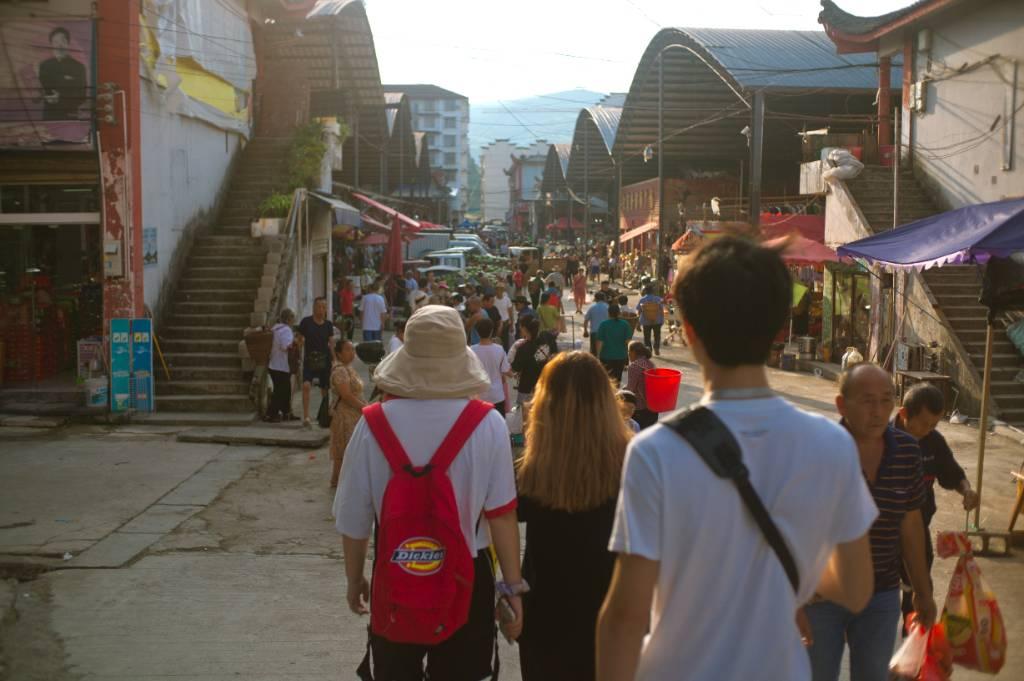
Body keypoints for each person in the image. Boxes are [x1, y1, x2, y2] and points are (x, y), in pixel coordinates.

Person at [597, 236, 876, 681]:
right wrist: (792, 571)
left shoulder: (655, 452)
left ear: (689, 332)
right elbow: (858, 589)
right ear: (775, 328)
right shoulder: (832, 444)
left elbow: (625, 616)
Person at [334, 305, 524, 680]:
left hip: (397, 574)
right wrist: (512, 589)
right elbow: (501, 515)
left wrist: (355, 579)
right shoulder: (488, 424)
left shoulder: (372, 424)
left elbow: (354, 521)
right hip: (468, 578)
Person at [804, 362, 935, 681]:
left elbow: (911, 525)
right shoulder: (820, 450)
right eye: (867, 401)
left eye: (886, 399)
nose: (878, 411)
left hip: (882, 593)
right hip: (822, 596)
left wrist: (922, 590)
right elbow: (799, 524)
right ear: (841, 404)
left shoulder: (906, 450)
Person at [516, 351, 631, 681]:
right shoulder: (634, 460)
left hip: (545, 614)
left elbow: (504, 521)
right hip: (613, 611)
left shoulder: (532, 470)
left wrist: (509, 588)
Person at [894, 382, 979, 627]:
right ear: (903, 414)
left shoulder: (933, 441)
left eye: (934, 424)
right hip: (884, 535)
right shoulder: (883, 441)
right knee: (881, 598)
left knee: (920, 595)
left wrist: (966, 489)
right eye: (923, 424)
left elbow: (951, 472)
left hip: (917, 530)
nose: (928, 430)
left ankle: (913, 653)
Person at [329, 339, 365, 488]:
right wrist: (365, 408)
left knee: (350, 450)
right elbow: (346, 396)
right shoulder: (340, 371)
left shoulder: (348, 368)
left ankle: (342, 483)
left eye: (353, 350)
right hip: (344, 416)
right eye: (348, 350)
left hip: (354, 415)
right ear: (339, 353)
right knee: (343, 452)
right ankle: (338, 483)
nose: (352, 353)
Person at [297, 297, 335, 427]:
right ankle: (306, 416)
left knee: (325, 389)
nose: (321, 309)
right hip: (310, 360)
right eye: (319, 306)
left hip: (325, 360)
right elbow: (300, 340)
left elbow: (331, 343)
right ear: (313, 307)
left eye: (324, 307)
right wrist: (298, 349)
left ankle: (324, 415)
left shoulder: (328, 325)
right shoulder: (306, 322)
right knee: (306, 386)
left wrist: (335, 360)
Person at [39, 27, 87, 121]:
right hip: (49, 116)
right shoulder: (44, 65)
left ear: (68, 44)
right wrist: (43, 96)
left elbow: (82, 96)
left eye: (63, 41)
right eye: (55, 42)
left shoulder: (79, 67)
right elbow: (41, 90)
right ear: (51, 45)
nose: (59, 45)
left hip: (70, 116)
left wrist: (61, 98)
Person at [510, 317, 555, 407]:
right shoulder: (546, 342)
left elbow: (516, 368)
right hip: (544, 384)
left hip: (527, 387)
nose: (519, 329)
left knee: (527, 416)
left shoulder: (523, 348)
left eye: (520, 326)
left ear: (525, 329)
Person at [471, 318, 512, 415]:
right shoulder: (499, 349)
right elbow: (506, 370)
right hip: (497, 395)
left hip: (479, 396)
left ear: (477, 332)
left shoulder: (472, 350)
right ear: (491, 331)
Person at [266, 308, 297, 423]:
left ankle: (286, 412)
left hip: (273, 364)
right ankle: (271, 414)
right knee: (280, 391)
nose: (293, 321)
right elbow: (286, 346)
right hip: (281, 365)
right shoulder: (286, 330)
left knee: (285, 390)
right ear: (289, 319)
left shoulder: (275, 328)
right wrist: (295, 343)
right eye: (292, 319)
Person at [595, 303, 632, 384]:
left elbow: (599, 342)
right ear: (619, 313)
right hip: (621, 356)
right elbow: (628, 342)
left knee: (606, 379)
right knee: (617, 379)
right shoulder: (625, 324)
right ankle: (616, 395)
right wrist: (628, 357)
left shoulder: (603, 324)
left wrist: (597, 356)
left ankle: (608, 394)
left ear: (608, 313)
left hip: (606, 356)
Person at [624, 340, 658, 429]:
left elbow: (630, 389)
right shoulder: (651, 364)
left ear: (633, 352)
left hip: (640, 408)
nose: (628, 354)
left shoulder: (634, 366)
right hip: (653, 406)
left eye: (628, 351)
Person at [637, 285, 666, 357]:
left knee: (647, 337)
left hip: (646, 321)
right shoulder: (658, 299)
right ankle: (656, 347)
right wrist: (662, 319)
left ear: (645, 291)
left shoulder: (642, 300)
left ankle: (648, 349)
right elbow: (662, 310)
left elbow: (639, 311)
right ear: (653, 291)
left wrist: (638, 322)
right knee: (657, 335)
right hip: (657, 320)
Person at [494, 283, 513, 349]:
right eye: (497, 289)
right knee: (497, 340)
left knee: (505, 340)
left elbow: (511, 312)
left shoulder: (507, 299)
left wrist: (512, 325)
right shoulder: (493, 300)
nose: (498, 291)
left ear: (503, 291)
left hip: (506, 322)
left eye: (500, 289)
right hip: (497, 323)